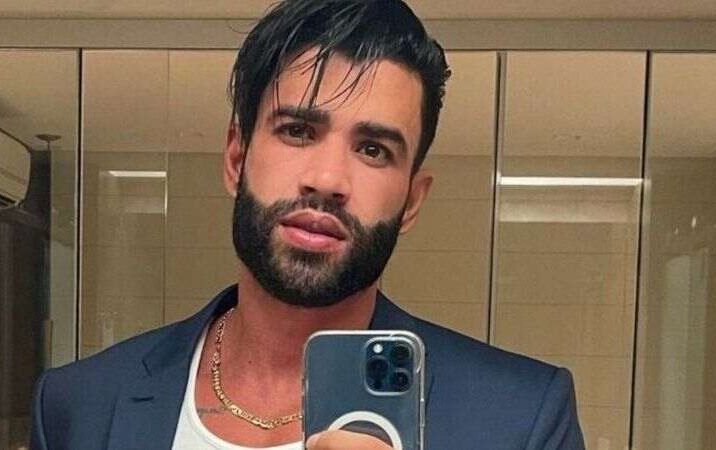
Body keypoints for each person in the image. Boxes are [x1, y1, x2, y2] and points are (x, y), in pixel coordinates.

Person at [30, 0, 585, 448]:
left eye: (373, 149)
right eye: (297, 131)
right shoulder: (78, 403)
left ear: (412, 201)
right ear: (236, 158)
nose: (327, 179)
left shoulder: (521, 418)